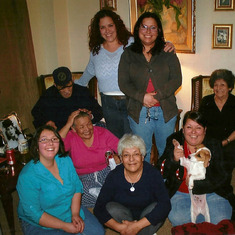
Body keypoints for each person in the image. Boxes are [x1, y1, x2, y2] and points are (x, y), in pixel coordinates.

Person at [75, 9, 175, 138]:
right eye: (102, 27)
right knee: (116, 143)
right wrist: (66, 86)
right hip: (108, 104)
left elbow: (152, 42)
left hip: (132, 100)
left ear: (117, 25)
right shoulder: (96, 52)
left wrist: (169, 44)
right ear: (98, 30)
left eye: (110, 25)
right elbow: (85, 77)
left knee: (134, 143)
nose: (107, 30)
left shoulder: (132, 43)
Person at [16, 125, 104, 235]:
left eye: (54, 139)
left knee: (98, 233)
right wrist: (65, 226)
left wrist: (75, 213)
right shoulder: (27, 176)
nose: (50, 143)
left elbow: (77, 186)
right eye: (44, 140)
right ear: (36, 146)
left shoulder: (65, 160)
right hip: (40, 222)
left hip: (68, 210)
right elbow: (34, 213)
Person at [118, 12, 182, 163]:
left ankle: (165, 185)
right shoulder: (128, 54)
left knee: (165, 151)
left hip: (165, 111)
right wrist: (142, 97)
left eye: (153, 27)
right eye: (144, 27)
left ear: (159, 30)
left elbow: (176, 80)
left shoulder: (168, 51)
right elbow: (123, 83)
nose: (148, 31)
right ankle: (145, 185)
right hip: (139, 112)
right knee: (142, 152)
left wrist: (156, 96)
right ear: (137, 29)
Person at [157, 111, 234, 227]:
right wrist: (173, 159)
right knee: (179, 219)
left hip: (212, 193)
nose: (193, 132)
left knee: (221, 219)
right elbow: (160, 171)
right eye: (189, 127)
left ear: (205, 130)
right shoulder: (174, 141)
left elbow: (223, 176)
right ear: (183, 129)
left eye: (198, 128)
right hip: (182, 193)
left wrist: (197, 184)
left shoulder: (213, 143)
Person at [94, 134, 171, 235]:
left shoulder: (153, 174)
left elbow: (165, 204)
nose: (131, 159)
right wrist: (120, 228)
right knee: (110, 208)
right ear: (121, 158)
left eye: (136, 154)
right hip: (123, 216)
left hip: (146, 217)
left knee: (157, 208)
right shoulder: (114, 175)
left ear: (143, 157)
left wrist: (137, 226)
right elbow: (98, 208)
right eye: (126, 155)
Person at [59, 111, 119, 208]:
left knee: (120, 184)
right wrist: (68, 123)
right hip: (84, 178)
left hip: (106, 172)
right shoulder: (71, 137)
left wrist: (119, 157)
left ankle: (109, 202)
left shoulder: (102, 132)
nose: (87, 129)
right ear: (74, 129)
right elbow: (56, 145)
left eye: (89, 124)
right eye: (81, 127)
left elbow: (122, 148)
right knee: (80, 193)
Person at [31, 66, 103, 130]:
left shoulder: (83, 92)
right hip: (61, 135)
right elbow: (35, 113)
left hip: (81, 133)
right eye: (62, 88)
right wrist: (46, 123)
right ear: (55, 85)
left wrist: (90, 116)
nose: (66, 91)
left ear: (73, 80)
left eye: (69, 86)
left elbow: (99, 111)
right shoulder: (48, 95)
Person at [199, 69, 235, 182]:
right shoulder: (206, 101)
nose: (218, 88)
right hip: (209, 140)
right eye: (216, 85)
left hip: (230, 141)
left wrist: (226, 141)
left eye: (222, 85)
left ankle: (224, 185)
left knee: (228, 155)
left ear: (230, 87)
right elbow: (199, 124)